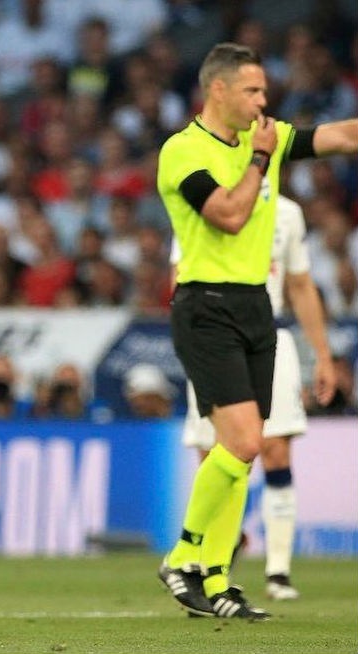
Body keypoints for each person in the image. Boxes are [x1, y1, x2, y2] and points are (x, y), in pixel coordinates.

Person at [156, 43, 353, 619]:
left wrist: (269, 148)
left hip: (255, 308)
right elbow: (228, 213)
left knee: (239, 454)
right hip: (206, 306)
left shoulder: (264, 137)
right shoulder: (183, 151)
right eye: (253, 90)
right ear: (217, 90)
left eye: (265, 90)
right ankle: (183, 556)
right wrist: (262, 159)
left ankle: (218, 581)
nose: (264, 101)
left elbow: (340, 136)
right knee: (244, 443)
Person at [174, 195, 334, 601]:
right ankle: (210, 565)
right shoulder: (202, 197)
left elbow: (300, 284)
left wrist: (322, 354)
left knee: (274, 449)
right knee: (215, 456)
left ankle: (278, 570)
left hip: (268, 334)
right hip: (212, 334)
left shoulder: (287, 213)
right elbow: (180, 275)